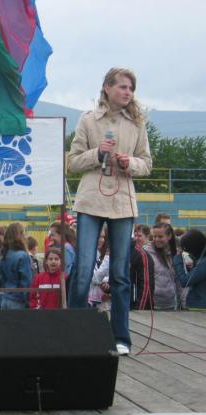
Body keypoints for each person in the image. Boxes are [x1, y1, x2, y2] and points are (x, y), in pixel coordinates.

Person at [67, 67, 152, 357]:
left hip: (123, 202)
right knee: (83, 268)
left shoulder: (137, 123)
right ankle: (75, 334)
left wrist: (130, 163)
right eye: (123, 87)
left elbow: (146, 163)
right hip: (91, 200)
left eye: (131, 88)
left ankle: (121, 338)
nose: (128, 92)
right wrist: (98, 153)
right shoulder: (88, 119)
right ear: (107, 87)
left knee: (119, 273)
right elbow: (73, 162)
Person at [143, 223, 179, 310]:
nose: (156, 239)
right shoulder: (146, 252)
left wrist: (183, 303)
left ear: (169, 236)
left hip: (171, 304)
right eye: (154, 236)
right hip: (152, 305)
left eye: (160, 236)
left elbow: (179, 281)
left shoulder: (176, 254)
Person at [0, 222, 33, 310]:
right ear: (20, 235)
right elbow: (26, 282)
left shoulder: (4, 254)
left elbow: (3, 279)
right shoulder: (23, 256)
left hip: (5, 298)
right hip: (18, 300)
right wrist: (28, 301)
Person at [173, 229, 206, 310]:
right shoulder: (201, 261)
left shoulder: (203, 264)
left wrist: (178, 258)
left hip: (200, 306)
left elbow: (185, 281)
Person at [130, 224, 155, 310]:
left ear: (147, 236)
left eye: (139, 236)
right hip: (132, 301)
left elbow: (146, 284)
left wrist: (141, 308)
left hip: (146, 302)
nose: (136, 238)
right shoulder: (132, 251)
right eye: (135, 235)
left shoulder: (143, 255)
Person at [87, 227, 109, 308]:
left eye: (103, 237)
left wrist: (107, 282)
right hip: (88, 301)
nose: (102, 240)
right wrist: (108, 257)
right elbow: (95, 279)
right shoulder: (86, 255)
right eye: (99, 237)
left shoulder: (97, 254)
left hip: (96, 300)